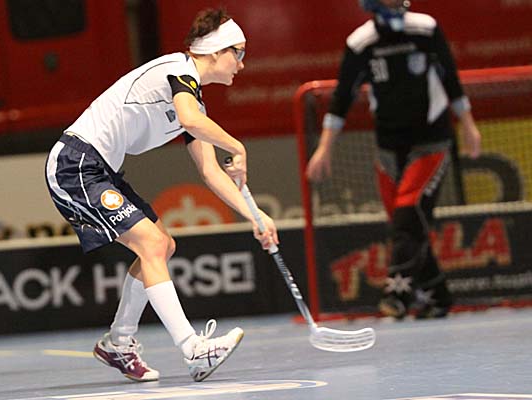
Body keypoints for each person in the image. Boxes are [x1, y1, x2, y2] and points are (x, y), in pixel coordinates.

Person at [45, 8, 278, 382]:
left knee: (162, 245)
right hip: (75, 164)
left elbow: (210, 170)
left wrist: (255, 215)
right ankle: (193, 349)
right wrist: (238, 146)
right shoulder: (179, 71)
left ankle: (118, 343)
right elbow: (189, 120)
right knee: (152, 245)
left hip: (101, 169)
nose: (242, 64)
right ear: (216, 50)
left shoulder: (193, 100)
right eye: (239, 53)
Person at [306, 0, 481, 320]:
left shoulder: (425, 29)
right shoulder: (360, 43)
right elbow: (342, 97)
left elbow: (451, 80)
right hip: (388, 146)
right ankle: (439, 296)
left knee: (409, 211)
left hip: (431, 140)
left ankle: (396, 294)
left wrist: (468, 126)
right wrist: (325, 148)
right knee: (405, 224)